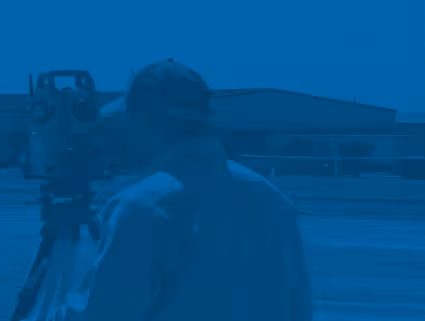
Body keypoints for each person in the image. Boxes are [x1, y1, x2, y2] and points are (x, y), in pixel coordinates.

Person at [36, 60, 313, 321]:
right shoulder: (274, 201)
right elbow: (299, 308)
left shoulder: (143, 206)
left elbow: (103, 314)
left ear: (143, 121)